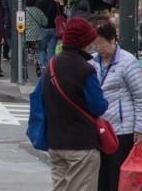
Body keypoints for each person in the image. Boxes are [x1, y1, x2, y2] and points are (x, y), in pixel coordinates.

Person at [40, 17, 108, 191]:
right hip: (81, 145)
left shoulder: (51, 65)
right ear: (83, 42)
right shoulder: (85, 69)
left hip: (55, 142)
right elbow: (99, 106)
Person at [90, 17, 142, 191]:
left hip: (122, 129)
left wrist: (139, 128)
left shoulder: (127, 61)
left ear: (113, 39)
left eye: (101, 44)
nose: (99, 49)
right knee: (100, 177)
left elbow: (140, 96)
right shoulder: (92, 61)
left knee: (116, 177)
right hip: (99, 127)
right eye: (95, 45)